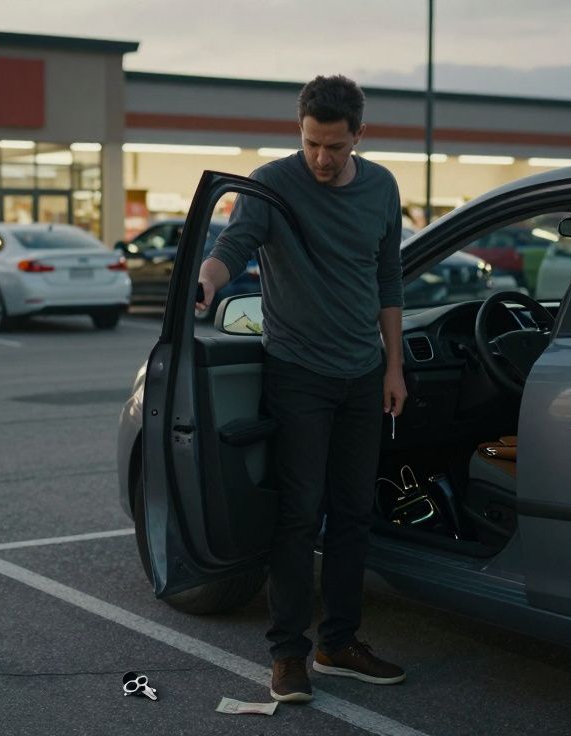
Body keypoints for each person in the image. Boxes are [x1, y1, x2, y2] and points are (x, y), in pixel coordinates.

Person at [198, 75, 407, 704]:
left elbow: (388, 277)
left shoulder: (382, 187)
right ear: (301, 130)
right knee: (297, 515)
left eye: (335, 147)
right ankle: (288, 654)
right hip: (297, 374)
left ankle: (338, 643)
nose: (321, 157)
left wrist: (394, 366)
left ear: (358, 138)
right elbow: (232, 245)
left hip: (363, 372)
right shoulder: (271, 182)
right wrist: (206, 282)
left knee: (352, 515)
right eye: (312, 142)